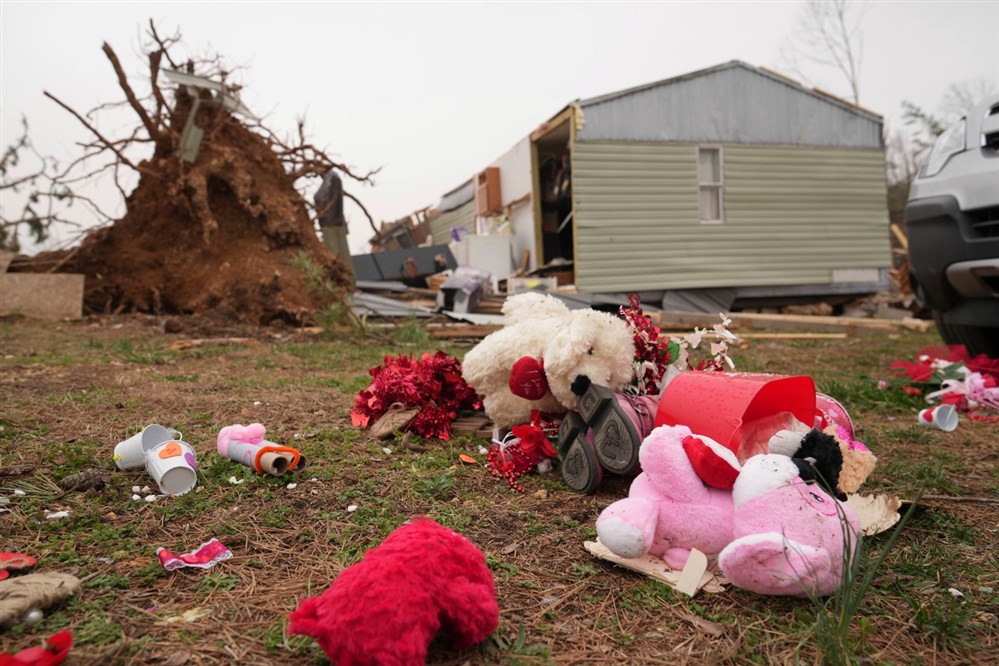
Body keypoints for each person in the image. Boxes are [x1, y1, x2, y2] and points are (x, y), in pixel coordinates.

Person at [314, 169, 355, 284]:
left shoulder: (332, 179)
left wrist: (331, 220)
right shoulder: (330, 180)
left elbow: (324, 199)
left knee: (339, 256)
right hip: (331, 224)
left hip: (333, 226)